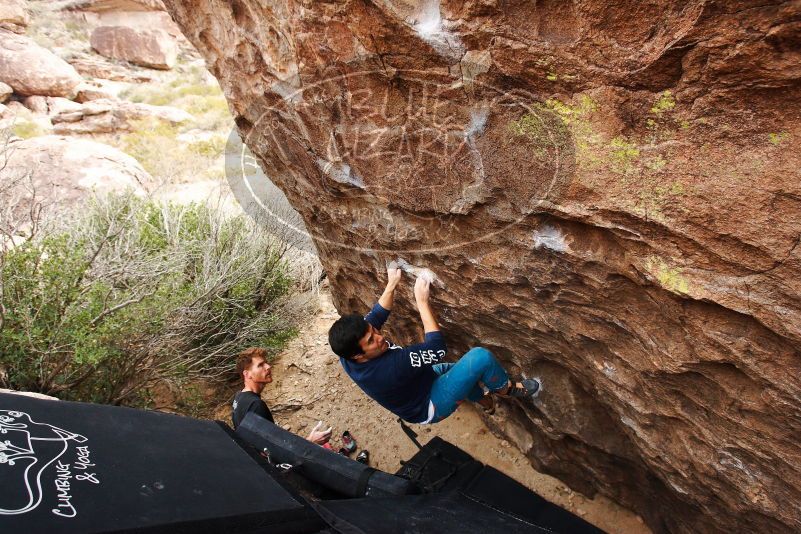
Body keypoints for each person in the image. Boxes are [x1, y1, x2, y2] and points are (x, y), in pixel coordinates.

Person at [328, 266, 541, 425]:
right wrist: (422, 302)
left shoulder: (348, 351)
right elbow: (437, 349)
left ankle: (487, 404)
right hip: (429, 405)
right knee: (479, 359)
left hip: (419, 382)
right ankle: (505, 389)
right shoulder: (390, 368)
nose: (379, 336)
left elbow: (376, 315)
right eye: (371, 340)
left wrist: (392, 283)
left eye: (374, 331)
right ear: (358, 355)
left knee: (465, 374)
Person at [232, 347, 332, 445]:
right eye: (260, 365)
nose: (268, 366)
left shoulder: (239, 398)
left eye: (266, 362)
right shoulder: (256, 405)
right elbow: (276, 450)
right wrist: (311, 441)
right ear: (247, 374)